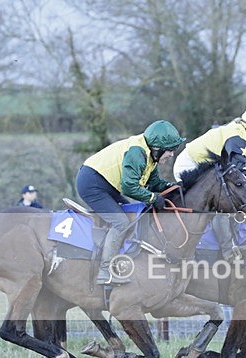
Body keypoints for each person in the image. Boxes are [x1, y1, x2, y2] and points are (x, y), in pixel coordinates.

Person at [76, 120, 186, 284]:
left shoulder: (150, 156)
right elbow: (129, 187)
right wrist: (152, 198)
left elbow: (154, 183)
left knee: (132, 216)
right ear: (157, 148)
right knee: (121, 222)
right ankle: (105, 271)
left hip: (106, 183)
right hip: (92, 184)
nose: (172, 154)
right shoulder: (137, 154)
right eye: (170, 150)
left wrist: (173, 187)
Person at [172, 105, 246, 261]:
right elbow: (241, 176)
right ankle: (229, 252)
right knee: (222, 204)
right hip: (190, 165)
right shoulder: (237, 140)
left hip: (206, 165)